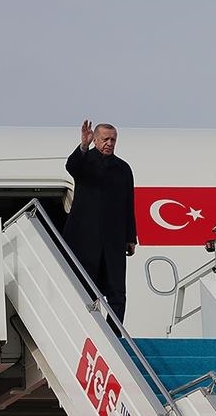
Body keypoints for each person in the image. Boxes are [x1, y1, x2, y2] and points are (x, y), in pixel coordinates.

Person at [63, 120, 136, 336]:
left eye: (113, 139)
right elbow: (71, 166)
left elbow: (128, 203)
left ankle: (114, 334)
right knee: (86, 287)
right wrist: (83, 146)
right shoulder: (85, 162)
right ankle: (86, 332)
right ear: (95, 139)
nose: (109, 143)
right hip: (85, 238)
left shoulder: (123, 168)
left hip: (114, 239)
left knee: (117, 291)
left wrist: (130, 237)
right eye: (105, 139)